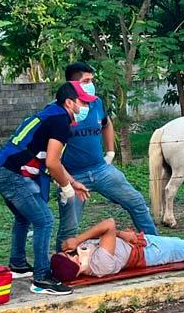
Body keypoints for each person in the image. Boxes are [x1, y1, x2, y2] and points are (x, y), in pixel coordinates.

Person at [0, 81, 95, 295]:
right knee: (44, 220)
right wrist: (66, 188)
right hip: (12, 175)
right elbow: (53, 163)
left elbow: (51, 159)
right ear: (69, 103)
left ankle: (18, 263)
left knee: (24, 218)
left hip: (3, 171)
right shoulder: (60, 122)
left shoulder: (52, 115)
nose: (86, 107)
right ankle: (41, 278)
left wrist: (73, 183)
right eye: (83, 102)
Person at [55, 62, 158, 251]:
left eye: (91, 80)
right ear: (72, 83)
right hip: (73, 176)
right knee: (69, 226)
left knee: (136, 202)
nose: (91, 84)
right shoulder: (60, 109)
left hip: (101, 169)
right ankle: (63, 262)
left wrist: (110, 153)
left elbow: (106, 124)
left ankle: (156, 245)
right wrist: (62, 180)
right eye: (86, 81)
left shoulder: (96, 103)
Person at [50, 215, 184, 281]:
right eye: (69, 255)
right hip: (150, 252)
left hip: (142, 244)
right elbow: (108, 224)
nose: (71, 251)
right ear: (74, 263)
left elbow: (107, 232)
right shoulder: (99, 264)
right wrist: (78, 240)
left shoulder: (85, 258)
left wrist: (122, 234)